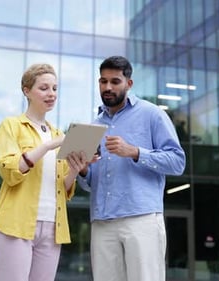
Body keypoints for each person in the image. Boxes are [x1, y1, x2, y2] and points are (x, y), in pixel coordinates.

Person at [77, 56, 186, 281]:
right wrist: (84, 171)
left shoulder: (152, 114)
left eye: (115, 81)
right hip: (102, 221)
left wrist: (135, 152)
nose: (107, 87)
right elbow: (89, 183)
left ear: (129, 83)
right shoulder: (93, 126)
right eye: (103, 81)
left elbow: (178, 162)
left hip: (141, 218)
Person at [0, 63, 86, 281]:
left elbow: (63, 186)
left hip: (52, 228)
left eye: (54, 88)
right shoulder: (11, 126)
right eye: (44, 88)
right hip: (16, 224)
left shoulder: (58, 133)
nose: (51, 94)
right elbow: (10, 171)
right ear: (26, 91)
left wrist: (75, 169)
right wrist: (48, 146)